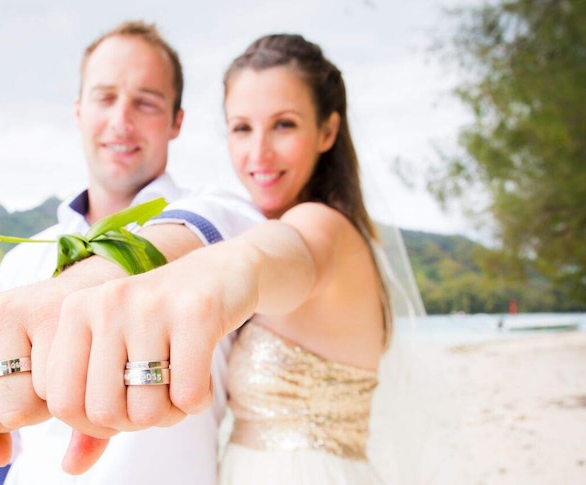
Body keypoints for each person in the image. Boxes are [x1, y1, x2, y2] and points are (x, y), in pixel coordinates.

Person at [44, 34, 397, 484]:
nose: (259, 153)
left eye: (284, 125)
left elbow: (268, 257)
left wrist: (205, 277)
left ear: (327, 131)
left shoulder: (319, 226)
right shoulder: (273, 223)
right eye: (242, 127)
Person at [0, 20, 261, 485]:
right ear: (78, 110)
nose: (121, 120)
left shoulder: (220, 217)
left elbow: (225, 232)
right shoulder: (21, 260)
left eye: (146, 101)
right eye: (105, 97)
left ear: (176, 121)